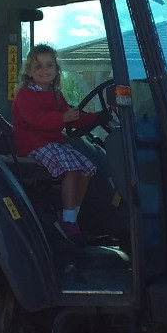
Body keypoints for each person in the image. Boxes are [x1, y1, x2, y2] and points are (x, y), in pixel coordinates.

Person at [12, 44, 101, 245]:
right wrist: (63, 117)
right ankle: (68, 222)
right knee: (72, 167)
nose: (44, 70)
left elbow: (71, 118)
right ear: (29, 71)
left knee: (87, 168)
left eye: (49, 65)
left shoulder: (55, 94)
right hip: (32, 143)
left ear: (56, 69)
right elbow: (36, 119)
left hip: (52, 142)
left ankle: (71, 216)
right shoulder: (25, 95)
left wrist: (97, 117)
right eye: (39, 66)